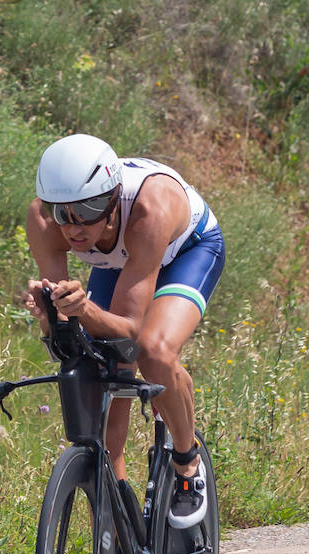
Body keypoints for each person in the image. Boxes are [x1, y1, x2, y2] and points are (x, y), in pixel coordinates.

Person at [23, 133, 225, 531]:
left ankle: (187, 463)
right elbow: (65, 336)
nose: (75, 226)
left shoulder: (149, 208)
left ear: (113, 198)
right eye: (64, 213)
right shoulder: (46, 221)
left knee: (152, 351)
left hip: (186, 251)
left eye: (89, 208)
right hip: (122, 261)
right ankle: (117, 552)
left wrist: (82, 309)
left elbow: (132, 332)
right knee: (103, 408)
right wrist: (51, 314)